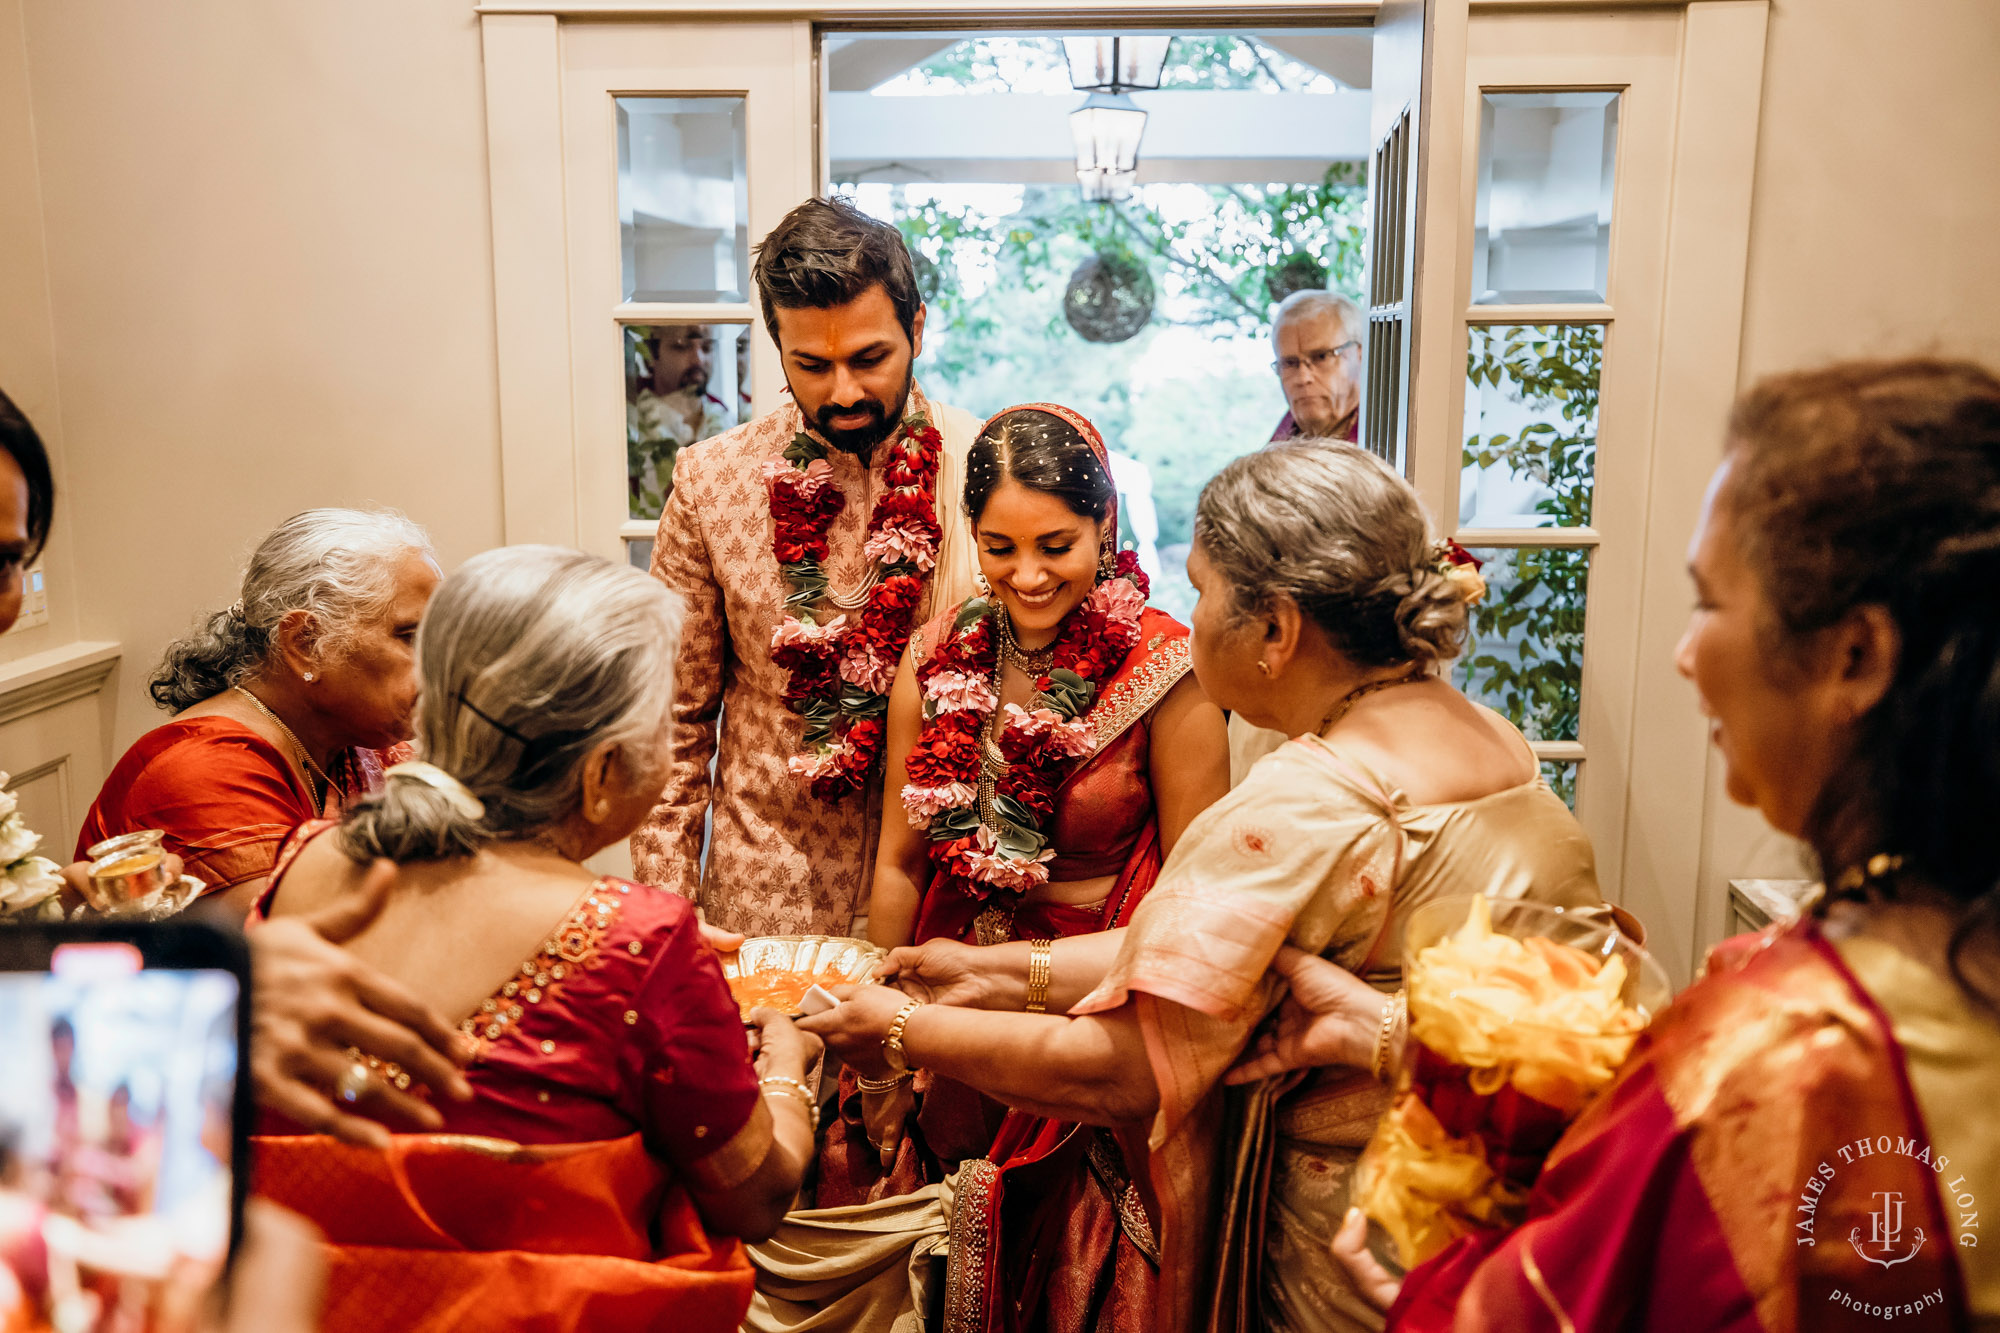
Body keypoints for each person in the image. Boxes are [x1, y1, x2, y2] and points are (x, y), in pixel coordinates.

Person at [1244, 359, 2000, 1330]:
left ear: (1854, 655)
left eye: (1707, 603)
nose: (1684, 654)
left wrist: (1434, 1296)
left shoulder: (1786, 1047)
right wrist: (1391, 1030)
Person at [802, 440, 1604, 1333]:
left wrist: (907, 1030)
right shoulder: (1482, 734)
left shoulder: (1307, 807)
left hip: (1367, 1246)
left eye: (1205, 587)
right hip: (1514, 1208)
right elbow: (1210, 950)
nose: (1190, 612)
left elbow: (1128, 1070)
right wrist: (990, 974)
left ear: (1278, 629)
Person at [254, 545, 818, 1333]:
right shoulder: (637, 942)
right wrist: (788, 1065)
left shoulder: (304, 859)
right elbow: (756, 1197)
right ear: (600, 772)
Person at [754, 406, 1229, 1333]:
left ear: (1109, 527)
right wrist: (880, 1048)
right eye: (999, 547)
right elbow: (898, 858)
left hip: (1096, 1016)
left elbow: (1199, 894)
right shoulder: (937, 655)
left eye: (1058, 543)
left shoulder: (1167, 665)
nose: (1028, 575)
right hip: (941, 991)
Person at [631, 195, 985, 937]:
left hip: (949, 895)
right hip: (766, 894)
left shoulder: (987, 473)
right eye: (811, 365)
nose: (844, 392)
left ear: (916, 328)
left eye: (869, 358)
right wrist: (670, 918)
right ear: (777, 345)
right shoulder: (711, 482)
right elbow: (674, 721)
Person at [76, 508, 439, 916]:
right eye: (410, 636)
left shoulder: (355, 744)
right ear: (305, 643)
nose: (438, 661)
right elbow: (298, 945)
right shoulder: (201, 771)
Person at [628, 323, 739, 518]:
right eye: (681, 346)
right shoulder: (631, 423)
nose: (698, 359)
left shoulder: (726, 420)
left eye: (706, 347)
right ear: (650, 356)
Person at [1270, 291, 1364, 444]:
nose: (1303, 378)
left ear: (1360, 355)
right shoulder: (1278, 444)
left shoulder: (1391, 441)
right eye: (1289, 363)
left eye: (1321, 356)